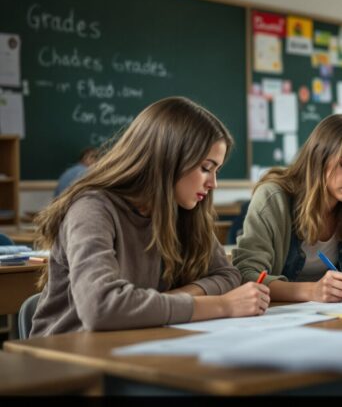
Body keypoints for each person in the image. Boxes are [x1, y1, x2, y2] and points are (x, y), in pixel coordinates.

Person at [31, 97, 270, 337]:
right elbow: (101, 308)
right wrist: (223, 305)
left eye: (216, 171)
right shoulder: (92, 209)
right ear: (168, 158)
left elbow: (228, 275)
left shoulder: (182, 210)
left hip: (139, 340)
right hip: (69, 355)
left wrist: (166, 301)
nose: (213, 183)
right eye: (206, 168)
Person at [233, 114, 342, 303]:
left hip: (337, 320)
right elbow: (247, 275)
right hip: (277, 319)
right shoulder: (273, 198)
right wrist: (310, 291)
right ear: (319, 157)